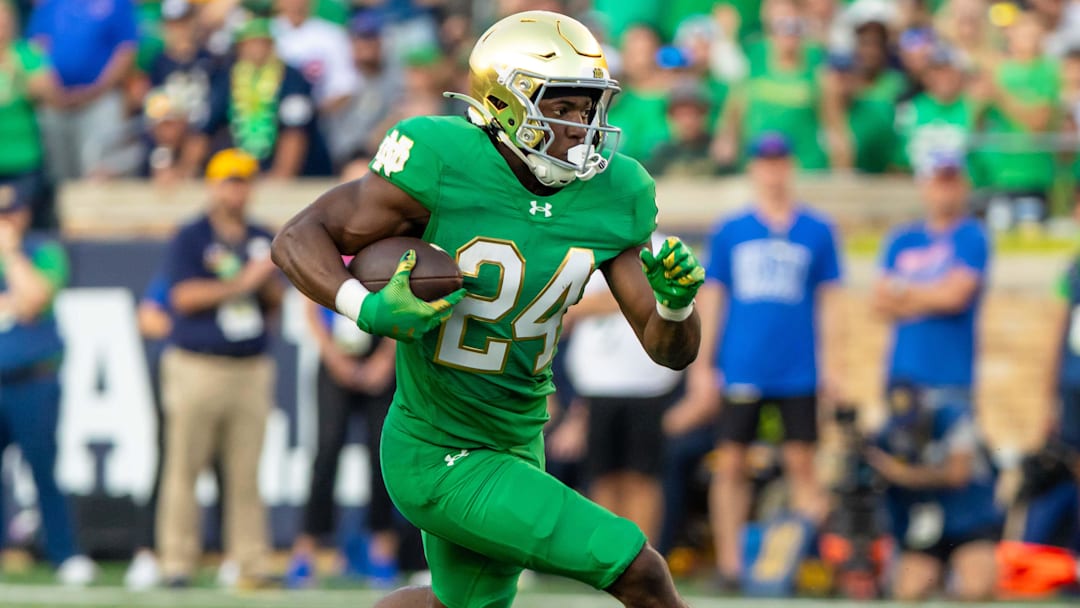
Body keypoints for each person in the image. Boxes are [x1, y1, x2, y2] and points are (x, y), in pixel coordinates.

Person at [271, 10, 705, 608]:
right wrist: (365, 307)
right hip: (434, 446)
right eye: (564, 106)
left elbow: (668, 350)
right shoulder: (442, 157)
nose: (583, 126)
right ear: (507, 101)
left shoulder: (615, 193)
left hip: (518, 437)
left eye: (590, 108)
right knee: (637, 567)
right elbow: (297, 237)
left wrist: (678, 307)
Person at [679, 132, 844, 589]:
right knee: (731, 463)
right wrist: (703, 365)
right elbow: (714, 300)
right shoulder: (732, 230)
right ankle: (732, 564)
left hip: (798, 368)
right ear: (754, 169)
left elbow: (830, 302)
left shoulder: (817, 229)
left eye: (780, 161)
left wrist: (834, 366)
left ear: (790, 167)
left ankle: (806, 560)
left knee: (803, 465)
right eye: (765, 162)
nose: (773, 171)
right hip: (742, 365)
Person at [156, 148, 283, 588]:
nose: (237, 190)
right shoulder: (191, 236)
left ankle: (252, 561)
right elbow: (182, 297)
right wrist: (240, 284)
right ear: (213, 185)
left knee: (247, 472)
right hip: (197, 364)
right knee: (184, 467)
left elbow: (275, 301)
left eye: (244, 180)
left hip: (250, 365)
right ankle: (176, 560)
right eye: (229, 180)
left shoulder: (261, 237)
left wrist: (263, 284)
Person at [0, 182, 97, 586]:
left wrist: (9, 252)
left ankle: (63, 552)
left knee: (43, 469)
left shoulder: (43, 252)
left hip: (33, 381)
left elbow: (34, 299)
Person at [562, 232, 686, 544]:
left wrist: (597, 303)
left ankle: (643, 555)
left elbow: (668, 301)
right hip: (597, 381)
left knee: (643, 476)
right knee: (603, 475)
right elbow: (565, 306)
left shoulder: (664, 247)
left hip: (648, 381)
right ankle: (610, 553)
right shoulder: (587, 243)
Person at [286, 268, 400, 588]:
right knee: (325, 452)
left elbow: (404, 298)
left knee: (382, 456)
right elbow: (308, 300)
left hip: (380, 354)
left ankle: (382, 550)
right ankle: (306, 550)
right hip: (335, 358)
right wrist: (331, 356)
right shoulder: (330, 235)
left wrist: (386, 358)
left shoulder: (387, 238)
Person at [871, 150, 989, 417]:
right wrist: (935, 294)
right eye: (938, 181)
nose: (945, 190)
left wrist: (902, 292)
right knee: (901, 455)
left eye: (951, 181)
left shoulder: (972, 236)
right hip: (904, 374)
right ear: (923, 185)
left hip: (952, 377)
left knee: (955, 452)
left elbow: (955, 297)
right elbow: (878, 302)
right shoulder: (902, 239)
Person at [869, 384, 1001, 601]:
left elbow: (958, 474)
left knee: (975, 588)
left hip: (968, 522)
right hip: (923, 529)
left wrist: (904, 474)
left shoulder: (955, 418)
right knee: (908, 590)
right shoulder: (888, 433)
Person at [189, 16, 333, 178]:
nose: (256, 49)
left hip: (283, 169)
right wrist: (186, 172)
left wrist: (282, 174)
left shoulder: (291, 78)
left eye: (262, 43)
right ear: (240, 47)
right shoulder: (225, 77)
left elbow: (295, 131)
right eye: (251, 43)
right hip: (236, 169)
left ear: (272, 45)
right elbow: (205, 128)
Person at [28, 0, 140, 180]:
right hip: (56, 103)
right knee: (59, 178)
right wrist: (53, 90)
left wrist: (96, 89)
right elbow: (37, 46)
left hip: (100, 102)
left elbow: (126, 49)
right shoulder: (49, 4)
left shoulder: (117, 3)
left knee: (100, 172)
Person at [0, 0, 58, 231]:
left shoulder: (26, 55)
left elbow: (49, 93)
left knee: (16, 225)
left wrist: (21, 75)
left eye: (4, 16)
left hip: (23, 160)